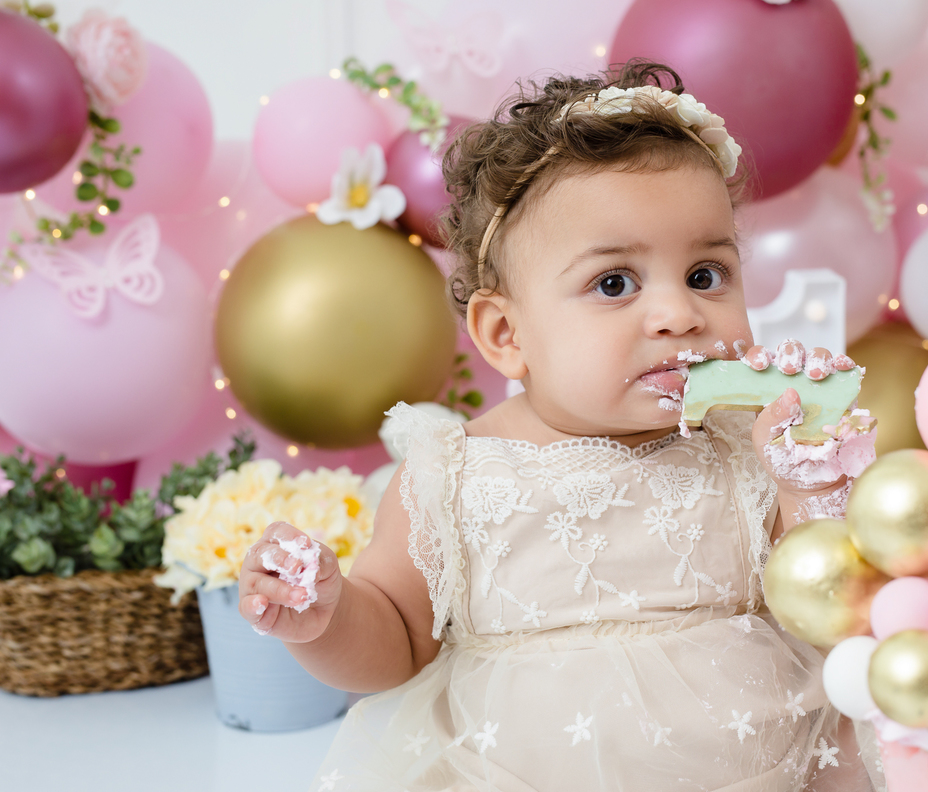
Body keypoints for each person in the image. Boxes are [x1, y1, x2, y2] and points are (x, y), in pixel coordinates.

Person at [238, 61, 884, 791]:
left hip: (763, 769)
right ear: (506, 333)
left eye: (706, 275)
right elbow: (395, 638)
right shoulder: (454, 474)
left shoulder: (745, 451)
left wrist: (810, 492)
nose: (679, 315)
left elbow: (823, 607)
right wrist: (326, 621)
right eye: (614, 283)